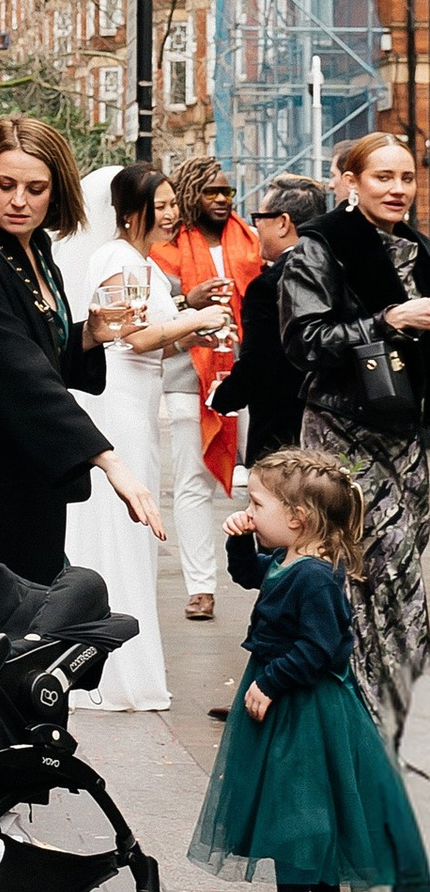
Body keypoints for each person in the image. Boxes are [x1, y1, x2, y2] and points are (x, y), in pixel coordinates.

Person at [193, 451, 430, 892]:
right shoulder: (290, 559)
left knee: (296, 820)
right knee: (311, 818)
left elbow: (324, 646)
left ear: (297, 517)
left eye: (257, 504)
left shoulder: (315, 576)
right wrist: (239, 539)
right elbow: (252, 574)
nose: (249, 511)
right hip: (292, 704)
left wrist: (271, 682)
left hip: (304, 709)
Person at [0, 115, 161, 586]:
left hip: (34, 470)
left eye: (35, 188)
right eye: (6, 184)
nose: (18, 201)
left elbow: (40, 350)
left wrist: (87, 334)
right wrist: (107, 458)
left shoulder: (38, 248)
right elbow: (13, 366)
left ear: (56, 190)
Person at [278, 131, 430, 762]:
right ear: (349, 180)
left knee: (406, 579)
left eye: (406, 178)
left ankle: (394, 722)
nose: (396, 189)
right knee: (350, 573)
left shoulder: (421, 251)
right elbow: (302, 340)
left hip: (411, 440)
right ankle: (348, 725)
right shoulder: (318, 249)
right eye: (382, 178)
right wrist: (386, 321)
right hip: (344, 438)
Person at [62, 165, 226, 708]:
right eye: (161, 203)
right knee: (121, 525)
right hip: (119, 405)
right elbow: (135, 337)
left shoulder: (140, 262)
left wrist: (187, 314)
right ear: (132, 211)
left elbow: (157, 337)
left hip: (137, 399)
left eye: (174, 202)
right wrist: (196, 317)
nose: (173, 212)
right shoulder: (119, 258)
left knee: (131, 531)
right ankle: (110, 671)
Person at [155, 159, 257, 618]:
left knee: (259, 479)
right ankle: (201, 586)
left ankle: (269, 576)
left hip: (244, 376)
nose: (221, 199)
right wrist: (186, 302)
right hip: (186, 378)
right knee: (193, 484)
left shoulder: (251, 242)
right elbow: (154, 317)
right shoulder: (166, 251)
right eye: (211, 191)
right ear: (191, 193)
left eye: (227, 192)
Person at [214, 180, 325, 497]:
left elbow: (257, 365)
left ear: (283, 222)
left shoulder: (269, 286)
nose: (254, 228)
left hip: (281, 436)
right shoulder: (337, 269)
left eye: (258, 218)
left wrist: (222, 396)